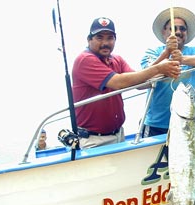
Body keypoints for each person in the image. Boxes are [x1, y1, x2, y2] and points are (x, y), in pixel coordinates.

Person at [72, 17, 181, 149]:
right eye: (99, 38)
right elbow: (119, 82)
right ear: (89, 40)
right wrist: (159, 68)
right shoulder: (85, 60)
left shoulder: (116, 60)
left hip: (118, 135)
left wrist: (166, 53)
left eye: (110, 38)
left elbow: (141, 83)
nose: (105, 43)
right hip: (93, 140)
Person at [141, 7, 195, 137]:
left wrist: (182, 59)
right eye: (173, 28)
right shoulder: (153, 52)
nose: (178, 32)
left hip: (185, 123)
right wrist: (166, 53)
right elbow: (144, 76)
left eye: (182, 29)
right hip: (155, 125)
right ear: (164, 32)